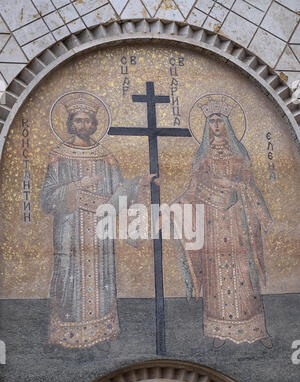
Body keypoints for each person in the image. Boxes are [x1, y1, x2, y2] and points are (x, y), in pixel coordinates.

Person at [41, 93, 154, 349]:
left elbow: (119, 191)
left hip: (99, 229)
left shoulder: (106, 156)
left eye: (88, 121)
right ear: (71, 123)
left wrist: (139, 183)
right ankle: (68, 335)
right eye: (78, 121)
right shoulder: (58, 155)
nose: (84, 126)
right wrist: (77, 186)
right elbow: (47, 198)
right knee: (70, 275)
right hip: (70, 229)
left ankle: (100, 333)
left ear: (95, 125)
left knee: (101, 275)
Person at [173, 98, 273, 348]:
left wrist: (233, 186)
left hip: (238, 220)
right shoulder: (202, 160)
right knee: (215, 273)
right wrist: (174, 206)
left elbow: (250, 187)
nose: (216, 125)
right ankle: (220, 331)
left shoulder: (239, 157)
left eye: (219, 120)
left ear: (227, 124)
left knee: (244, 271)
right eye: (212, 121)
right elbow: (192, 191)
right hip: (212, 222)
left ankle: (254, 330)